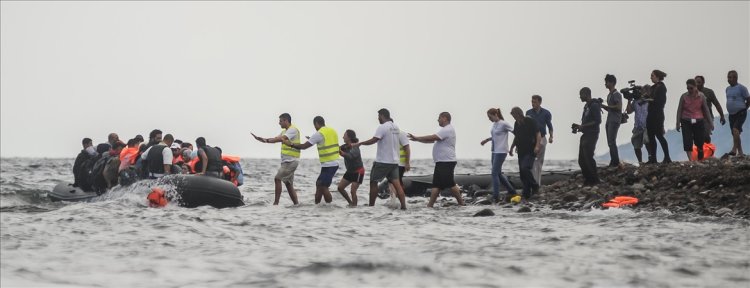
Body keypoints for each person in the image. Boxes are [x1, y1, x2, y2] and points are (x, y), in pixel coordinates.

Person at [351, 108, 409, 210]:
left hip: (382, 162)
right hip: (394, 162)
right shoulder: (396, 127)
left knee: (373, 183)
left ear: (382, 115)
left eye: (378, 116)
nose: (378, 119)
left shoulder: (382, 127)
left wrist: (360, 143)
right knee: (398, 185)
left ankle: (371, 206)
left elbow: (374, 140)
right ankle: (404, 207)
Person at [409, 112, 465, 208]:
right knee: (436, 185)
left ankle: (461, 203)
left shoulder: (447, 129)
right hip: (441, 162)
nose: (437, 120)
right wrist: (417, 140)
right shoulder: (444, 130)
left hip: (446, 161)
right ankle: (430, 206)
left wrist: (417, 137)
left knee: (450, 183)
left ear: (445, 118)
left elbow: (433, 137)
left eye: (439, 118)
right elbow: (432, 140)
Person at [284, 116, 341, 205]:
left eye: (315, 126)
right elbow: (326, 141)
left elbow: (304, 147)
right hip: (333, 162)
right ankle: (317, 205)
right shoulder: (332, 131)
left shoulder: (319, 133)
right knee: (319, 184)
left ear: (316, 124)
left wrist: (291, 144)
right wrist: (312, 139)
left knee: (323, 186)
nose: (315, 128)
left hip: (329, 164)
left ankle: (330, 206)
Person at [252, 113, 301, 205]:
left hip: (291, 161)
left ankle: (276, 204)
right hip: (287, 162)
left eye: (280, 121)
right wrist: (263, 140)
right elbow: (276, 139)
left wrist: (266, 140)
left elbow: (281, 139)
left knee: (277, 179)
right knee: (288, 184)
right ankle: (296, 204)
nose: (279, 123)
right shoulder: (284, 132)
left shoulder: (293, 130)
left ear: (286, 120)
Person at [480, 108, 517, 202]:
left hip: (502, 151)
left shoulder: (504, 124)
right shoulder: (494, 124)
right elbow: (495, 136)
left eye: (490, 117)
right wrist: (487, 140)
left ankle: (496, 196)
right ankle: (512, 191)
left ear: (495, 114)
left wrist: (514, 146)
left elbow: (516, 133)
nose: (489, 119)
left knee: (494, 173)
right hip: (494, 151)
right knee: (498, 173)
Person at [676, 79, 714, 160]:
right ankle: (690, 160)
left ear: (695, 87)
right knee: (687, 140)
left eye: (691, 88)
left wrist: (711, 123)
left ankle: (700, 150)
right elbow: (679, 110)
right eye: (688, 88)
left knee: (699, 140)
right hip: (686, 120)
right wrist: (678, 123)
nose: (689, 90)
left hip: (698, 120)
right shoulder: (684, 97)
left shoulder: (701, 96)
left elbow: (706, 110)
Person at [509, 107, 541, 201]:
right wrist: (512, 147)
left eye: (514, 115)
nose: (514, 117)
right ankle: (526, 193)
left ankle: (535, 186)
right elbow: (516, 136)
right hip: (521, 151)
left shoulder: (529, 121)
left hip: (531, 150)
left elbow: (538, 133)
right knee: (522, 173)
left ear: (519, 113)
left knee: (525, 167)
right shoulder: (516, 124)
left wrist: (537, 146)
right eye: (513, 115)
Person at [572, 87, 602, 185]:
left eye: (581, 94)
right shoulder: (586, 106)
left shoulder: (594, 106)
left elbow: (598, 121)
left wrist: (583, 126)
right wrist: (579, 127)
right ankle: (588, 179)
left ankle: (595, 179)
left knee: (588, 157)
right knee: (582, 160)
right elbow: (587, 122)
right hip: (585, 134)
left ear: (586, 94)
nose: (580, 97)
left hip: (592, 134)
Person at [525, 95, 553, 185]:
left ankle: (538, 183)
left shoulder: (546, 113)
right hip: (531, 139)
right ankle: (533, 182)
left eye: (535, 102)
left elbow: (549, 125)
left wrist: (551, 136)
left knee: (539, 162)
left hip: (542, 137)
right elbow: (526, 127)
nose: (533, 104)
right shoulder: (528, 113)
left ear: (540, 102)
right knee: (532, 161)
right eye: (532, 102)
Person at [646, 69, 672, 164]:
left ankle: (667, 157)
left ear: (657, 76)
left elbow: (660, 101)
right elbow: (648, 96)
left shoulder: (661, 87)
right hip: (651, 114)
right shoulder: (653, 87)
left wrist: (649, 99)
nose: (651, 77)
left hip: (657, 114)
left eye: (652, 75)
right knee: (651, 137)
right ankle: (653, 158)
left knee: (659, 135)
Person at [725, 70, 750, 156]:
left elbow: (748, 99)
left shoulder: (742, 88)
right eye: (728, 77)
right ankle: (741, 152)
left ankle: (734, 149)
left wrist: (745, 108)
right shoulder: (727, 89)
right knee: (735, 133)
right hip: (731, 114)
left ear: (735, 78)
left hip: (741, 112)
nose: (729, 79)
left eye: (731, 77)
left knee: (736, 129)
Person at [695, 75, 726, 144]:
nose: (697, 84)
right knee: (697, 136)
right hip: (695, 118)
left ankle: (708, 149)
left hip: (707, 118)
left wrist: (722, 116)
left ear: (703, 83)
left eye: (699, 82)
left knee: (705, 135)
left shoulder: (709, 92)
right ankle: (700, 152)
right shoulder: (691, 93)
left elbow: (716, 104)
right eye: (695, 82)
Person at [601, 74, 623, 167]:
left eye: (607, 82)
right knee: (610, 141)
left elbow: (618, 107)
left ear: (612, 83)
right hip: (609, 120)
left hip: (614, 120)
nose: (605, 84)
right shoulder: (609, 95)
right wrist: (602, 106)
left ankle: (615, 161)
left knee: (611, 141)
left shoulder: (616, 94)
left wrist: (606, 106)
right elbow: (610, 108)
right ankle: (613, 160)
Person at [338, 130, 364, 206]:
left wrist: (343, 154)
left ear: (349, 137)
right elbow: (335, 148)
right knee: (340, 188)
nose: (343, 137)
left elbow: (351, 156)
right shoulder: (344, 146)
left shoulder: (355, 146)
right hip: (350, 171)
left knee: (353, 191)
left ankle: (354, 207)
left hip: (358, 171)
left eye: (344, 135)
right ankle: (350, 203)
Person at [626, 84, 650, 164]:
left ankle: (651, 158)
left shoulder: (649, 100)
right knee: (636, 144)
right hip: (638, 126)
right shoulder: (636, 101)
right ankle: (640, 161)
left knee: (647, 140)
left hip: (647, 125)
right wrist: (629, 100)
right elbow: (629, 111)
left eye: (643, 91)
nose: (642, 93)